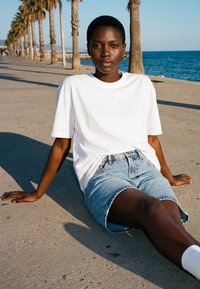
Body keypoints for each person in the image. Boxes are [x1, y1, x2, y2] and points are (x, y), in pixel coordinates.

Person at [1, 15, 200, 281]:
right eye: (97, 45)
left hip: (144, 164)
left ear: (124, 49)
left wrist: (169, 176)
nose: (105, 53)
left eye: (113, 45)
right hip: (102, 172)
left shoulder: (142, 85)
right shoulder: (74, 86)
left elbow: (152, 139)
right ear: (89, 47)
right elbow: (62, 144)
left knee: (168, 218)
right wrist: (38, 192)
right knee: (152, 210)